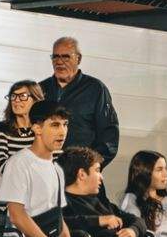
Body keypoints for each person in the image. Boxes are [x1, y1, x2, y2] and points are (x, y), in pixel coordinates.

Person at [0, 101, 122, 237]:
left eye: (65, 125)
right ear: (36, 128)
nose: (62, 131)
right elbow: (17, 216)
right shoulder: (19, 163)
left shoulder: (56, 168)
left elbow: (58, 216)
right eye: (55, 125)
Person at [39, 36, 119, 166]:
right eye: (55, 57)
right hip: (46, 172)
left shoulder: (95, 89)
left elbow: (109, 137)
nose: (59, 62)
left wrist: (89, 166)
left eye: (65, 57)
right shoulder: (41, 89)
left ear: (78, 58)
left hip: (82, 174)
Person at [0, 80, 43, 175]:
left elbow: (53, 161)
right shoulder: (1, 128)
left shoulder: (45, 128)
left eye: (23, 96)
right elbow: (2, 164)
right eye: (13, 96)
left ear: (36, 99)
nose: (16, 100)